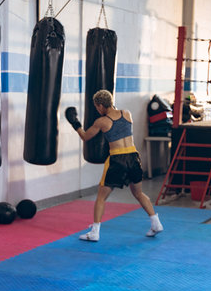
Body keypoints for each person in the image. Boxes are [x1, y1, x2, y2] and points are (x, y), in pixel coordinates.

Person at [64, 89, 163, 242]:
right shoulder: (127, 113)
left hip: (117, 159)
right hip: (134, 156)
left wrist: (75, 123)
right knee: (138, 193)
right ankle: (156, 223)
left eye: (97, 107)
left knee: (101, 197)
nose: (97, 110)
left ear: (100, 105)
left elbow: (85, 136)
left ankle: (94, 232)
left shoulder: (102, 121)